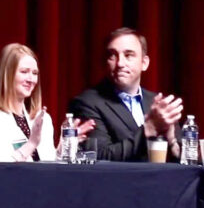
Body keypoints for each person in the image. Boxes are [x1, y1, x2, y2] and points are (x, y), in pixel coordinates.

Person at [67, 27, 183, 162]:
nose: (120, 63)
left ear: (144, 63)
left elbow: (182, 160)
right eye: (112, 55)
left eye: (128, 55)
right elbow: (98, 157)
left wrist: (172, 140)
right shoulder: (87, 102)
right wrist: (148, 128)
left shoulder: (157, 104)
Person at [0, 43, 95, 162]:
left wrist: (63, 148)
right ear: (6, 75)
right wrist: (31, 144)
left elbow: (48, 168)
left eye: (35, 73)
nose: (31, 79)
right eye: (24, 72)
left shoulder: (42, 119)